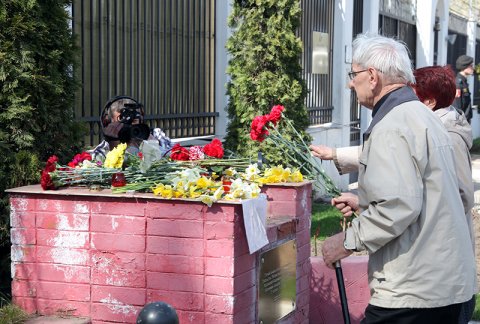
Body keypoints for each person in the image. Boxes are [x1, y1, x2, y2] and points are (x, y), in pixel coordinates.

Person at [321, 34, 476, 324]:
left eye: (353, 75)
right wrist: (365, 203)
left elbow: (397, 206)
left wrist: (346, 241)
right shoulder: (421, 114)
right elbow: (422, 193)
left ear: (372, 76)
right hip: (440, 284)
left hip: (415, 291)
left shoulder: (394, 125)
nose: (349, 83)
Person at [453, 54, 474, 123]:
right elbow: (457, 106)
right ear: (465, 67)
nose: (472, 68)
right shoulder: (458, 84)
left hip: (466, 120)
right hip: (461, 121)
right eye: (471, 66)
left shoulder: (463, 82)